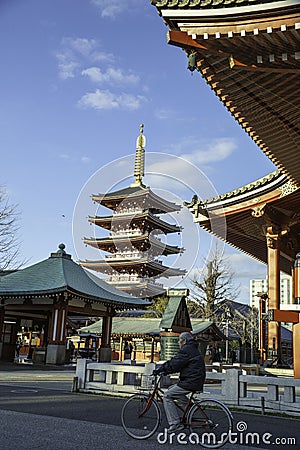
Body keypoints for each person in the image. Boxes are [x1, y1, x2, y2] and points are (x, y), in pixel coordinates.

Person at [153, 331, 206, 433]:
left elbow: (174, 363)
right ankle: (190, 408)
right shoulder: (193, 348)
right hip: (195, 380)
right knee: (171, 390)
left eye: (179, 341)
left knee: (167, 395)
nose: (178, 343)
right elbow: (179, 364)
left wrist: (160, 369)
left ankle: (175, 423)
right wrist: (167, 370)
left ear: (184, 341)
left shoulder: (186, 349)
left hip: (191, 381)